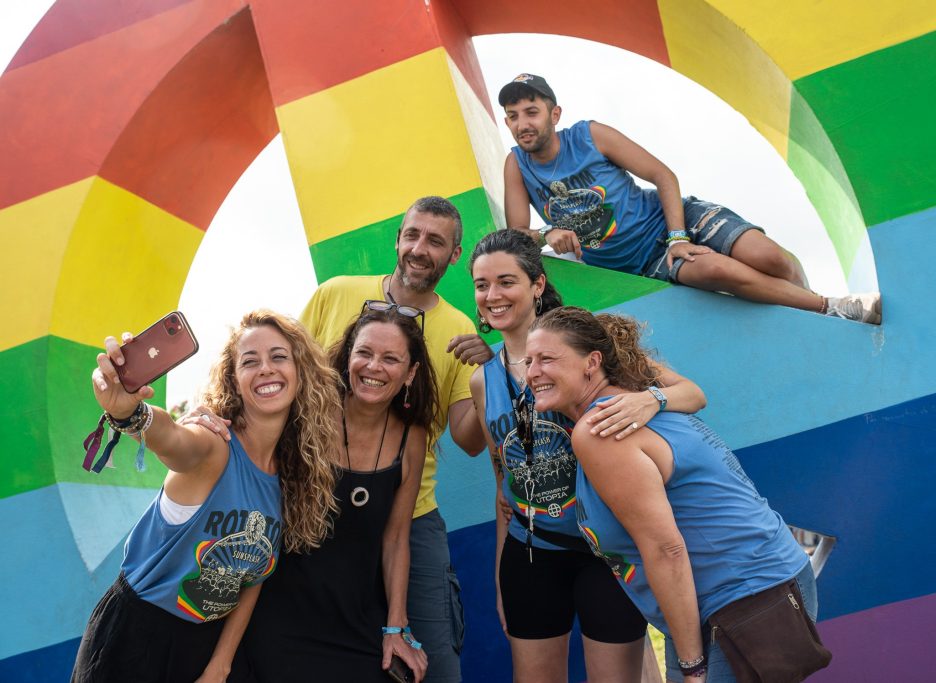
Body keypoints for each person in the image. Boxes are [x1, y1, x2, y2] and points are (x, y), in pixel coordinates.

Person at [524, 307, 822, 683]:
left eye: (547, 359)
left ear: (592, 362)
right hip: (770, 580)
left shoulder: (601, 429)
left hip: (742, 600)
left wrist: (692, 667)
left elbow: (666, 550)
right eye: (529, 361)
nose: (532, 372)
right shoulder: (635, 402)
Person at [468, 229, 707, 682]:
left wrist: (648, 400)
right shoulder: (484, 381)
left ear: (537, 284)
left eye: (506, 281)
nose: (493, 296)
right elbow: (503, 484)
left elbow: (692, 394)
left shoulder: (585, 341)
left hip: (606, 552)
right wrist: (505, 574)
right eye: (482, 285)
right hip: (532, 553)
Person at [73, 311, 342, 683]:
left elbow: (250, 577)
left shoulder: (289, 476)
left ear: (301, 372)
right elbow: (174, 442)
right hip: (136, 639)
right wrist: (131, 413)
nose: (265, 368)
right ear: (234, 378)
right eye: (250, 361)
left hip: (201, 648)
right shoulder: (214, 444)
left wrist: (220, 665)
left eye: (279, 356)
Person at [499, 72, 881, 324]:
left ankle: (813, 306)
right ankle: (831, 308)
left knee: (771, 259)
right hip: (643, 262)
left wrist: (678, 236)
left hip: (674, 219)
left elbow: (662, 175)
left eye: (531, 112)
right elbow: (518, 236)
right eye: (513, 116)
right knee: (717, 270)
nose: (523, 124)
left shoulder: (590, 135)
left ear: (554, 114)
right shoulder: (517, 165)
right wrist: (548, 231)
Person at [300, 196, 487, 682]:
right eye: (413, 235)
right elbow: (285, 382)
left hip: (411, 516)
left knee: (435, 665)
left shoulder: (458, 329)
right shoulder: (334, 295)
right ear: (399, 239)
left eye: (436, 241)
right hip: (316, 503)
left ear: (455, 255)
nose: (420, 249)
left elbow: (469, 440)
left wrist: (493, 378)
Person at [233, 304, 434, 682]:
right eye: (365, 353)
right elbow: (241, 421)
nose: (373, 367)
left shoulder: (412, 437)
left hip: (356, 620)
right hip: (276, 615)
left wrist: (396, 628)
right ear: (348, 357)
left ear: (410, 373)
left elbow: (395, 539)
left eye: (390, 359)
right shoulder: (305, 412)